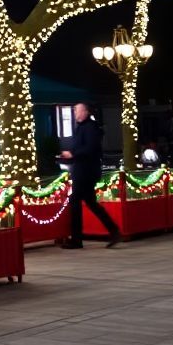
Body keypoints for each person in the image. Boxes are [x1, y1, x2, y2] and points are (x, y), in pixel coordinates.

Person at [59, 102, 122, 249]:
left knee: (75, 201)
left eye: (78, 111)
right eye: (75, 111)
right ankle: (114, 231)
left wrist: (73, 154)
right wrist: (69, 156)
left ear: (86, 112)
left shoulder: (90, 128)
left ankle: (76, 239)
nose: (75, 113)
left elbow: (90, 148)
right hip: (83, 170)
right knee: (91, 203)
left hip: (86, 172)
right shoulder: (82, 127)